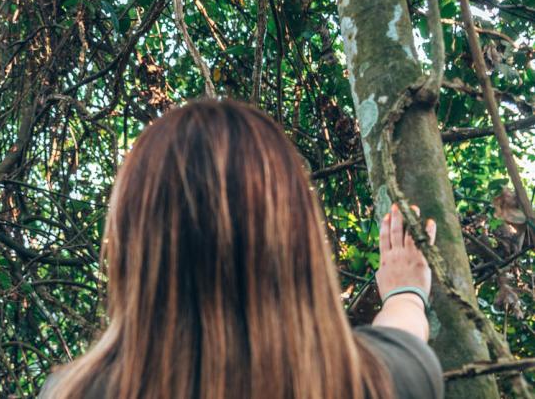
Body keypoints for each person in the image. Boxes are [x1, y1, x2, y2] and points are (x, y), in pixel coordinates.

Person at [39, 98, 444, 398]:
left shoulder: (71, 392)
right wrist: (405, 292)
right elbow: (404, 339)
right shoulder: (376, 382)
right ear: (295, 238)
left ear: (136, 249)